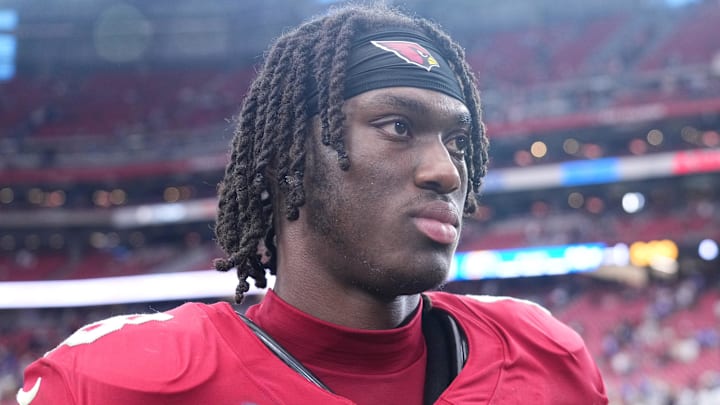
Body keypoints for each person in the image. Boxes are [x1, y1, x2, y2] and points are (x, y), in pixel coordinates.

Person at [17, 4, 608, 404]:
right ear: (288, 159)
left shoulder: (548, 358)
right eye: (398, 126)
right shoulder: (112, 383)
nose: (446, 171)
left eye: (457, 141)